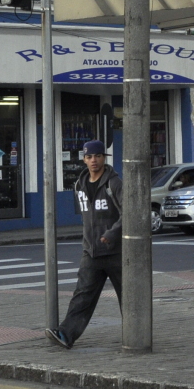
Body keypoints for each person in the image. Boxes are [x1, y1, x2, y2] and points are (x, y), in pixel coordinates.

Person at [45, 139, 123, 349]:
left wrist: (112, 234)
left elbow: (129, 213)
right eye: (89, 157)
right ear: (84, 159)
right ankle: (66, 334)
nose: (93, 160)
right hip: (91, 252)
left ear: (104, 158)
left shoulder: (114, 183)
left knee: (128, 296)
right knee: (82, 296)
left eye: (97, 156)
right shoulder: (79, 184)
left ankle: (136, 334)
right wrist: (88, 240)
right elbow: (86, 217)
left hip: (116, 252)